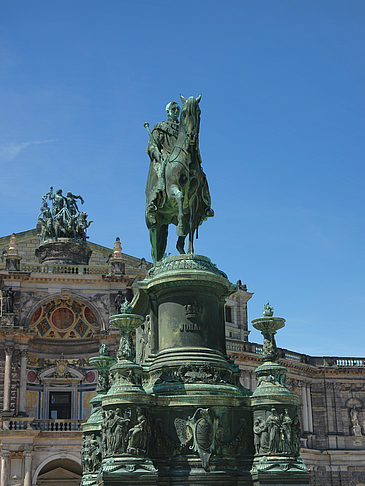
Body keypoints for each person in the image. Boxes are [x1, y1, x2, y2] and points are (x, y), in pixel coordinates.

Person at [146, 101, 180, 198]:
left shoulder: (184, 129)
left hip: (183, 158)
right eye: (173, 109)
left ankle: (204, 200)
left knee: (200, 175)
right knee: (161, 169)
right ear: (168, 112)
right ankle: (156, 196)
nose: (176, 111)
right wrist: (157, 153)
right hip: (166, 156)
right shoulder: (160, 127)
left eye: (178, 109)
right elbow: (151, 145)